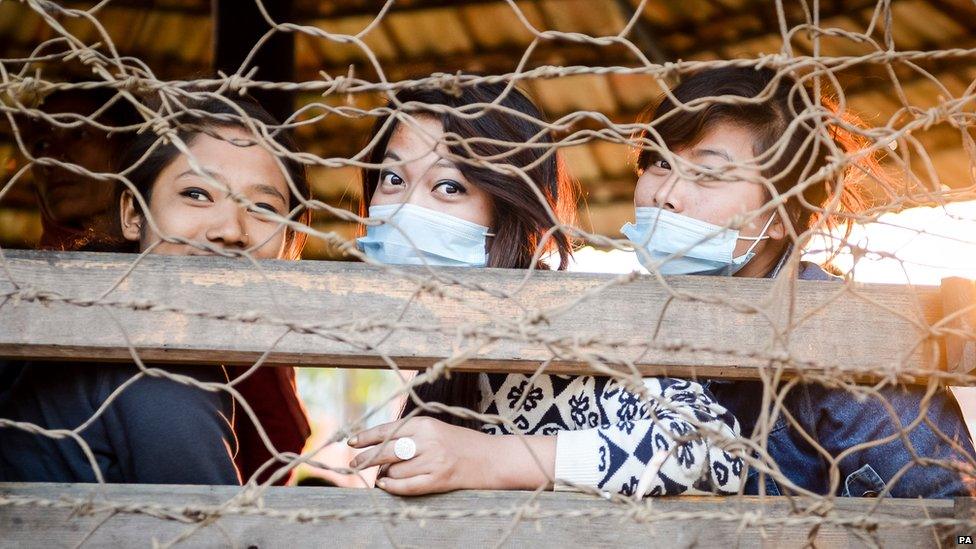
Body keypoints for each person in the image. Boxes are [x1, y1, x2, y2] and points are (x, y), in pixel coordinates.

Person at [346, 83, 745, 497]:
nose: (410, 208)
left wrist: (488, 458)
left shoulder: (564, 333)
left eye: (449, 187)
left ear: (508, 214)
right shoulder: (447, 357)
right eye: (392, 178)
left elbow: (713, 452)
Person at [623, 66, 975, 498]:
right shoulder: (619, 327)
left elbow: (954, 520)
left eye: (708, 174)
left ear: (780, 215)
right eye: (659, 162)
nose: (664, 194)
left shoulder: (846, 345)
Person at [0, 97, 311, 485]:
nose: (230, 230)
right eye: (196, 193)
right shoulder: (156, 365)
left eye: (263, 207)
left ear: (291, 241)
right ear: (133, 213)